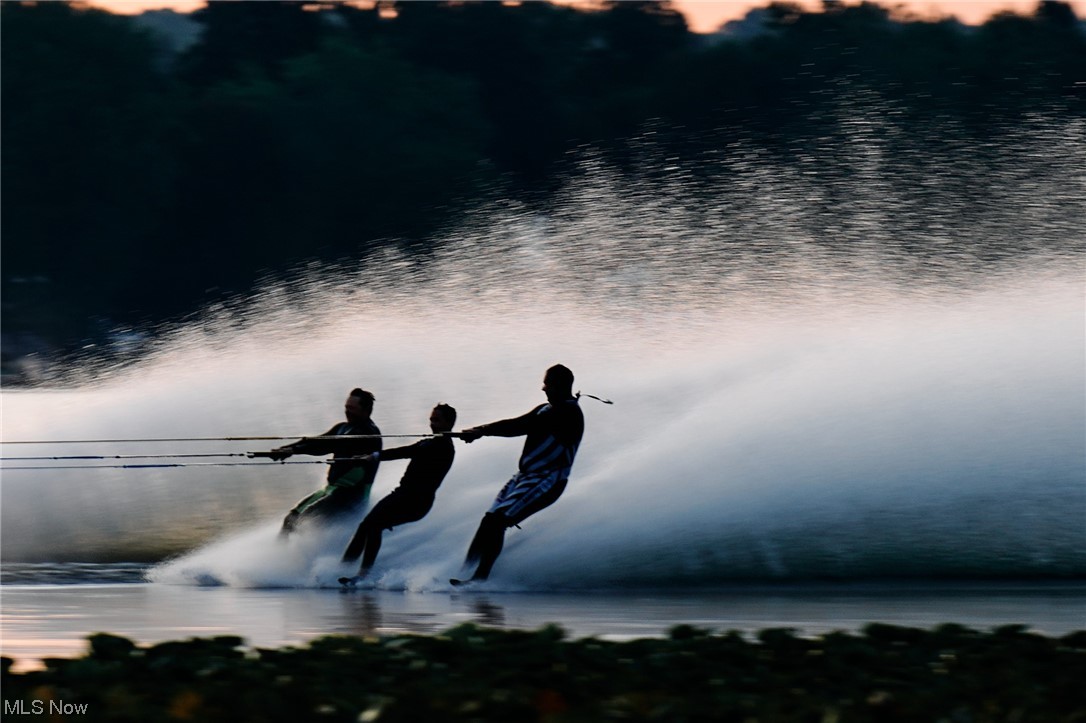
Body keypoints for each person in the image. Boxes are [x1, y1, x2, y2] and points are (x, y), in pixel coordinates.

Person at [451, 364, 584, 585]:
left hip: (548, 480)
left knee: (499, 521)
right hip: (525, 478)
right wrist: (480, 430)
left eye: (547, 383)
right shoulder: (546, 408)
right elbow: (521, 422)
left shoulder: (568, 413)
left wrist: (482, 431)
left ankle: (479, 578)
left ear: (560, 386)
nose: (543, 388)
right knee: (489, 520)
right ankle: (465, 570)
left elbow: (519, 426)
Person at [338, 403, 457, 585]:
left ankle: (363, 576)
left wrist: (374, 456)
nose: (432, 424)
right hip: (403, 496)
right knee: (366, 526)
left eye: (437, 420)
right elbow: (406, 450)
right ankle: (342, 569)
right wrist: (372, 456)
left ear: (449, 423)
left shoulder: (444, 446)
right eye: (431, 420)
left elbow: (406, 451)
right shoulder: (430, 442)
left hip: (416, 501)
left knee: (373, 526)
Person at [252, 388, 381, 538]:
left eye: (352, 409)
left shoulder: (369, 434)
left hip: (351, 495)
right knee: (291, 519)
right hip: (331, 490)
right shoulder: (342, 427)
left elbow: (326, 446)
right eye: (346, 408)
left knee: (303, 524)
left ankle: (303, 558)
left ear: (366, 410)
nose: (347, 412)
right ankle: (278, 554)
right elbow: (316, 441)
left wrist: (295, 451)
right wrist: (287, 449)